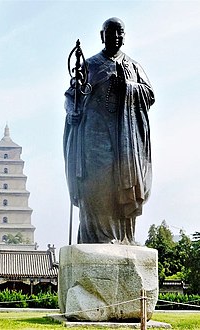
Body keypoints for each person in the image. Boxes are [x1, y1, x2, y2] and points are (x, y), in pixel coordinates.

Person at [63, 17, 155, 244]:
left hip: (125, 136)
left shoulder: (134, 67)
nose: (115, 36)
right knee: (97, 185)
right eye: (110, 32)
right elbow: (70, 95)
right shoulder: (90, 65)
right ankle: (98, 237)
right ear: (102, 36)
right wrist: (72, 111)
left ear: (124, 35)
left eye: (119, 32)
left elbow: (150, 95)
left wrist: (129, 88)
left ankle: (124, 237)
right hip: (94, 135)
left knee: (122, 182)